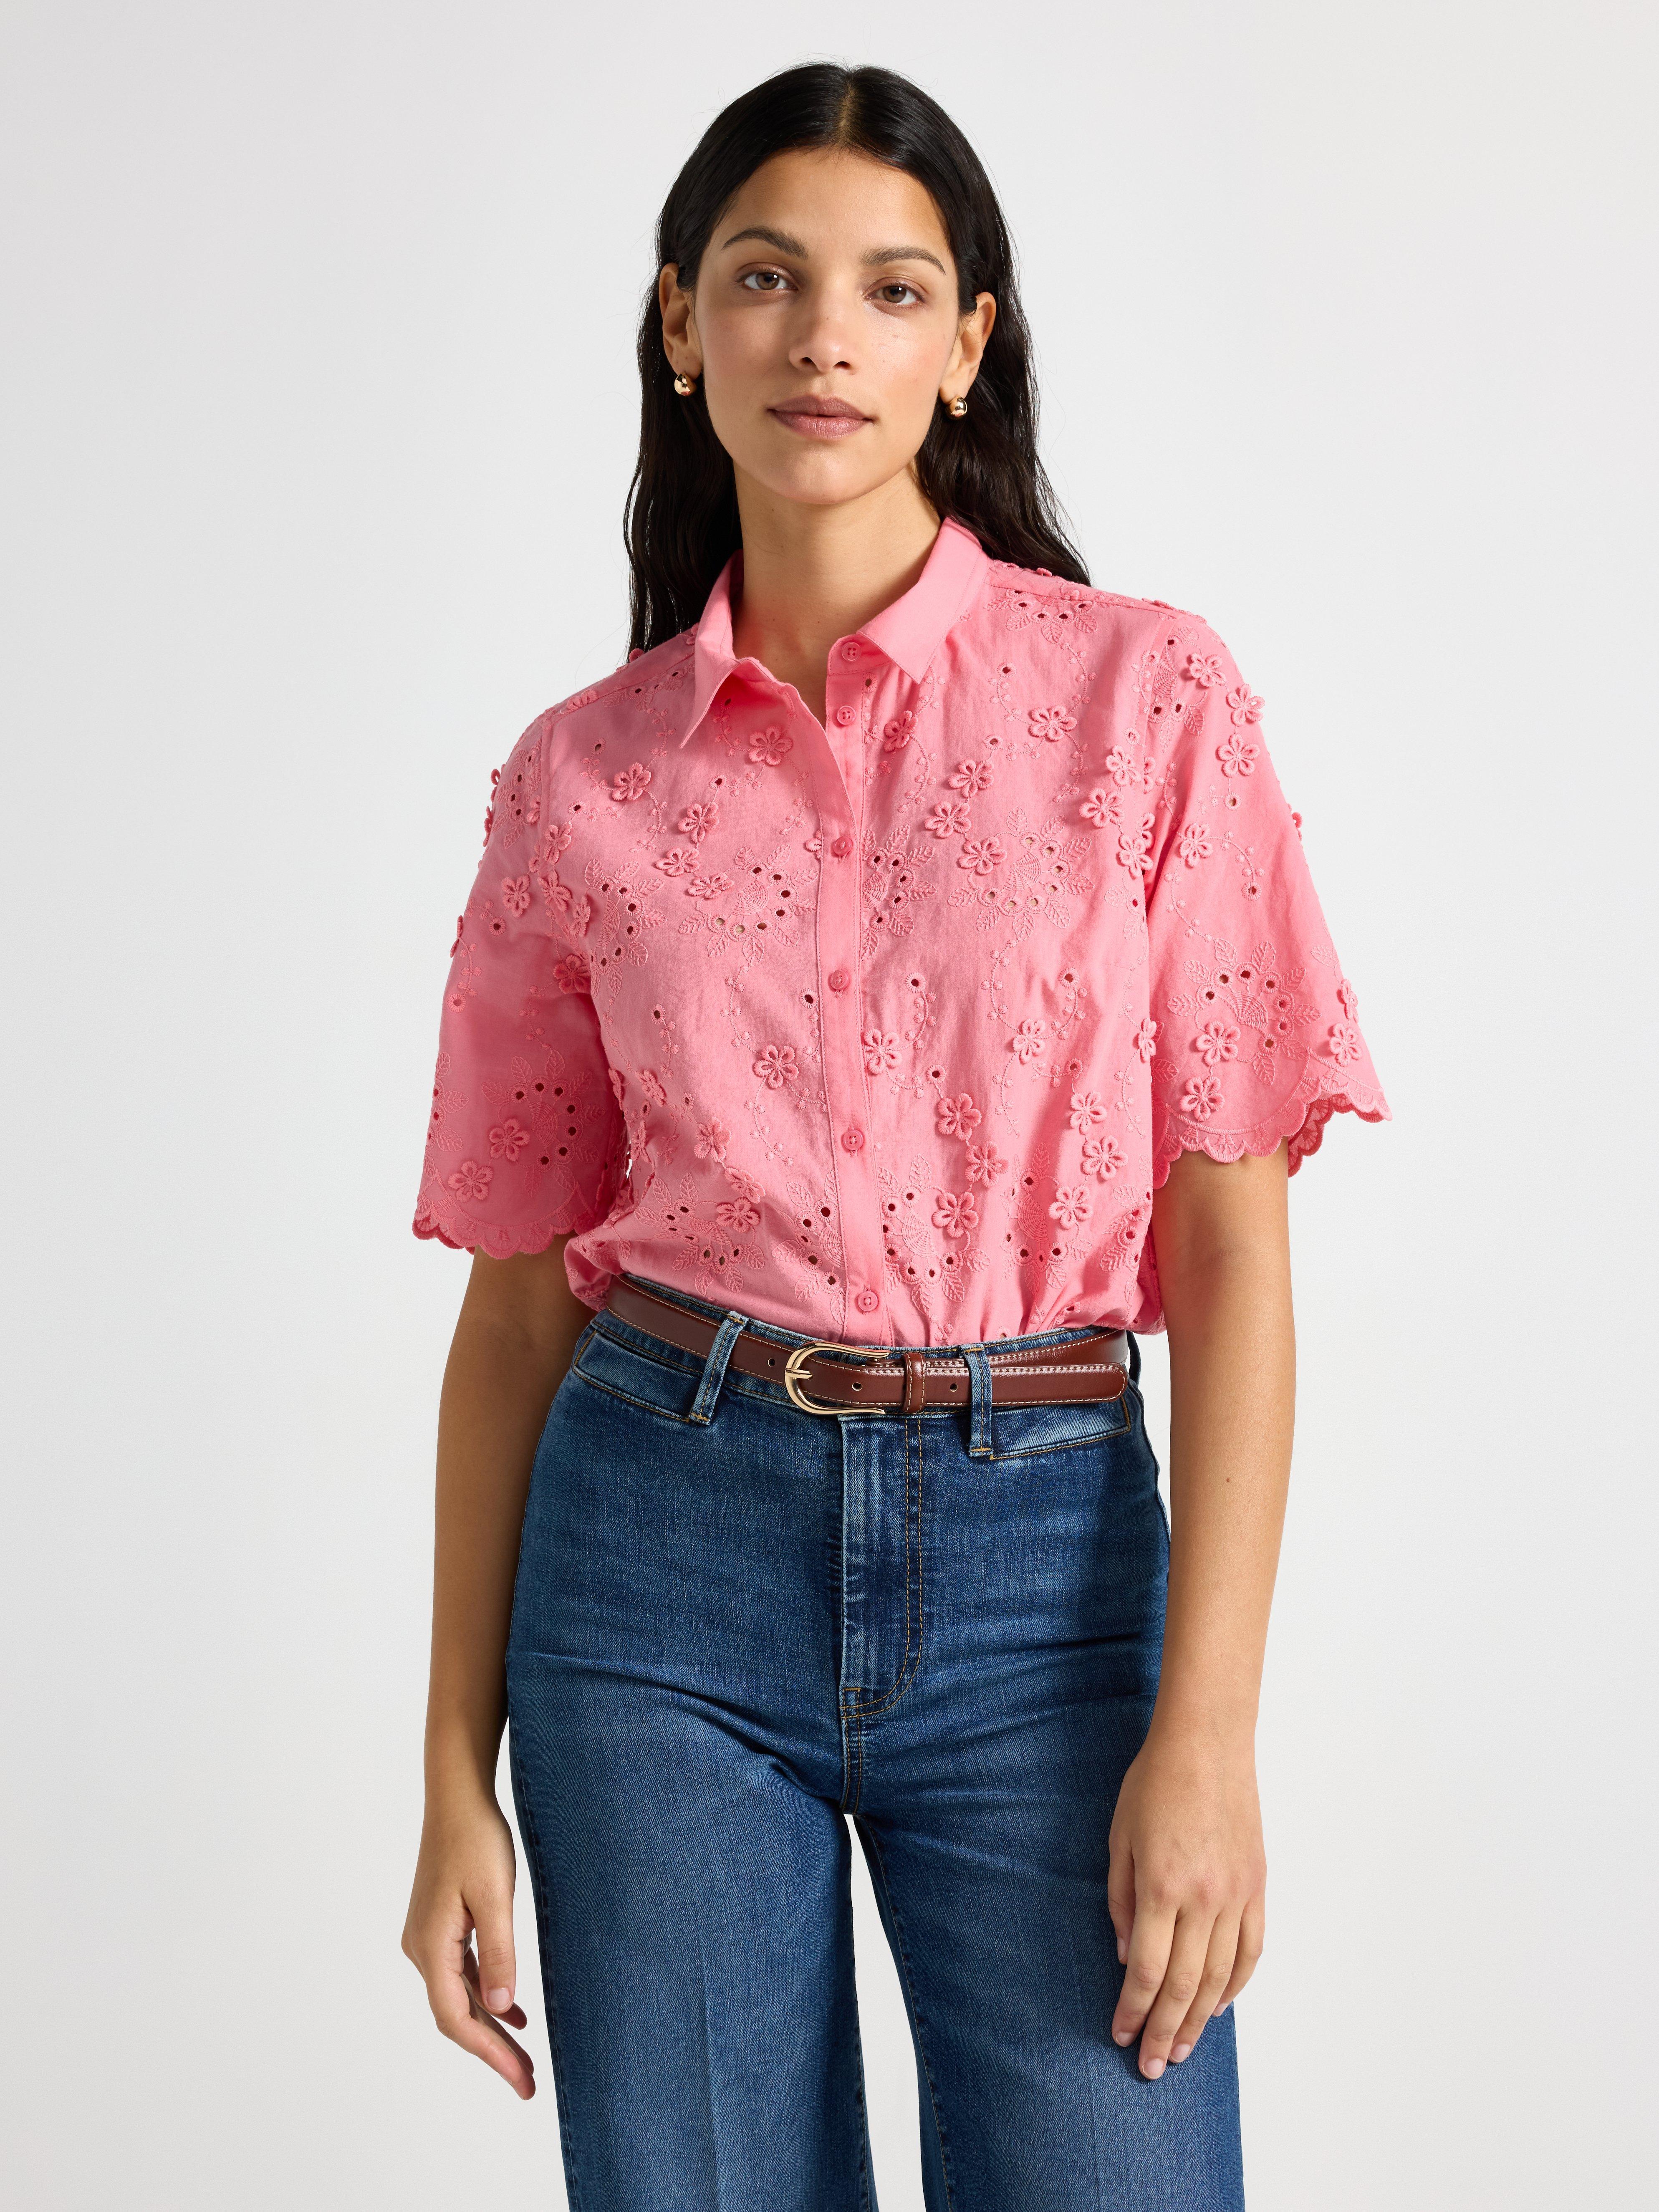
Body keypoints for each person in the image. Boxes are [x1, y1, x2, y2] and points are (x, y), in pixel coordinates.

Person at [399, 61, 1388, 2212]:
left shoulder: (1151, 706)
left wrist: (1205, 1733)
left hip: (1048, 1562)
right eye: (763, 279)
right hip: (652, 1559)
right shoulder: (578, 784)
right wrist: (448, 1776)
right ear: (684, 328)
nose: (821, 335)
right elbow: (508, 1316)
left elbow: (1230, 1255)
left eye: (888, 285)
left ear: (970, 341)